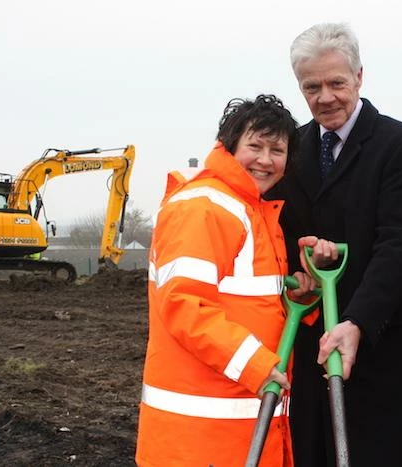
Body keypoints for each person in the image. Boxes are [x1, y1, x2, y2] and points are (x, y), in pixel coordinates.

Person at [266, 22, 402, 467]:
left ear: (359, 77)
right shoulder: (291, 149)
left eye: (337, 83)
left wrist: (357, 320)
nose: (325, 97)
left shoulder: (400, 146)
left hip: (378, 345)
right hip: (308, 342)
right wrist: (293, 280)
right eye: (311, 86)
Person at [136, 94, 314, 467]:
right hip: (200, 437)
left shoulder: (252, 210)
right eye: (255, 146)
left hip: (239, 426)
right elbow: (185, 305)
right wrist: (258, 365)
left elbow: (246, 301)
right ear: (230, 146)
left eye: (277, 150)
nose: (266, 160)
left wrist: (292, 295)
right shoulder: (205, 207)